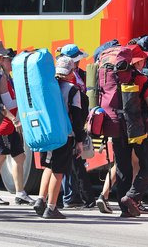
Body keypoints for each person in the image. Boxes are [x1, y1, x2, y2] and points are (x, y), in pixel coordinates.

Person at [0, 40, 35, 206]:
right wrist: (20, 107)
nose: (11, 62)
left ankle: (20, 193)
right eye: (8, 59)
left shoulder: (5, 76)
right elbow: (3, 104)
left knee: (20, 157)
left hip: (10, 124)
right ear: (1, 59)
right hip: (4, 125)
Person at [33, 56, 86, 219]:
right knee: (58, 170)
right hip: (65, 134)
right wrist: (79, 140)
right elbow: (77, 117)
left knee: (48, 166)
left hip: (48, 132)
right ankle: (52, 207)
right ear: (71, 72)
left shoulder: (48, 86)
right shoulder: (72, 90)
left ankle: (40, 200)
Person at [114, 45, 148, 218]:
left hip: (117, 126)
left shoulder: (111, 77)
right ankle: (132, 197)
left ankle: (124, 209)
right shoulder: (140, 78)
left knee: (122, 168)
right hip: (138, 126)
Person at [57, 44, 95, 209]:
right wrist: (79, 136)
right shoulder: (71, 87)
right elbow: (76, 111)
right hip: (71, 127)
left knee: (64, 164)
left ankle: (66, 197)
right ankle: (73, 197)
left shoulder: (57, 83)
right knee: (73, 164)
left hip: (63, 127)